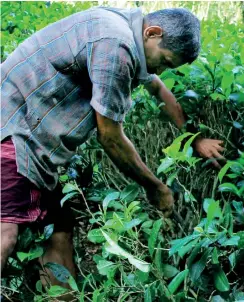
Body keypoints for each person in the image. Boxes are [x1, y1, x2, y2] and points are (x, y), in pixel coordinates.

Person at [0, 5, 225, 294]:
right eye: (165, 61)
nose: (160, 70)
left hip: (32, 139)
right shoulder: (117, 46)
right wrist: (155, 187)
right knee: (5, 234)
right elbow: (111, 138)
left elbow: (157, 89)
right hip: (13, 132)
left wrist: (193, 139)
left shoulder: (128, 30)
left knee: (60, 227)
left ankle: (65, 298)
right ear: (153, 33)